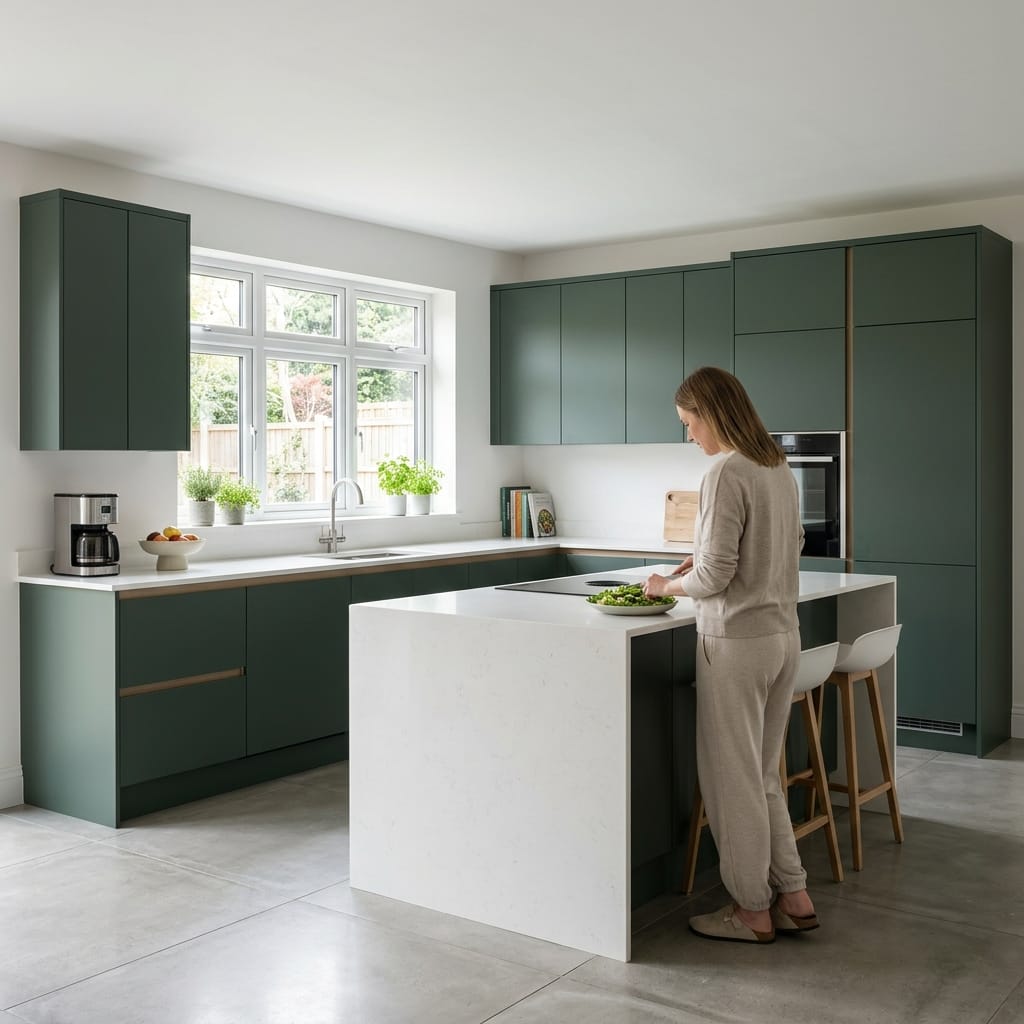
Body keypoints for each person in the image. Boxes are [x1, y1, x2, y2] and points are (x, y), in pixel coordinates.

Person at [644, 366, 817, 945]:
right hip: (782, 637)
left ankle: (751, 910)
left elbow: (716, 579)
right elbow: (787, 546)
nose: (689, 434)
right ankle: (793, 893)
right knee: (762, 776)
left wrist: (665, 587)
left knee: (731, 782)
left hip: (736, 643)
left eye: (689, 422)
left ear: (711, 413)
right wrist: (704, 558)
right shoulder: (775, 466)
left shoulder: (724, 470)